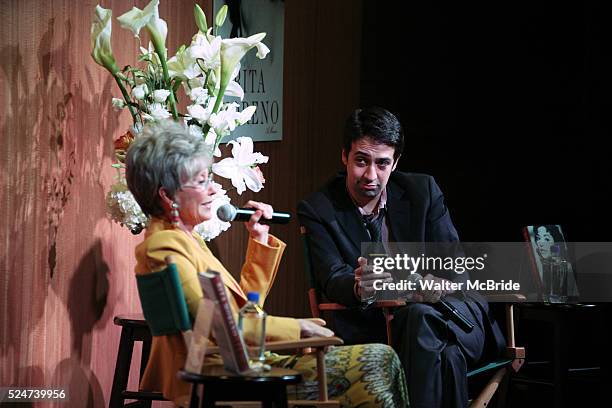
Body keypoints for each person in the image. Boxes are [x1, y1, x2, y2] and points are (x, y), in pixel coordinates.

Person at [125, 120, 408, 407]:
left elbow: (245, 309)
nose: (213, 190)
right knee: (378, 361)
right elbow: (216, 326)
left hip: (245, 363)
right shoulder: (164, 247)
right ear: (166, 194)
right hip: (228, 375)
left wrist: (259, 241)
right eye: (201, 181)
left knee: (383, 364)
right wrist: (297, 329)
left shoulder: (187, 240)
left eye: (209, 178)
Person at [298, 107, 506, 408]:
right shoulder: (319, 208)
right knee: (438, 348)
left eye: (382, 163)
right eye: (361, 161)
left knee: (422, 320)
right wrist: (360, 286)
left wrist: (438, 284)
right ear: (345, 156)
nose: (371, 175)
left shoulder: (422, 191)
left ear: (395, 163)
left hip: (456, 319)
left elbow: (455, 265)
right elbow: (332, 276)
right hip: (382, 328)